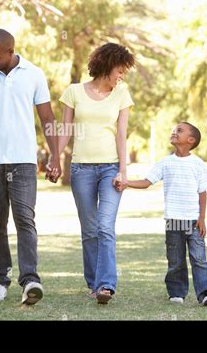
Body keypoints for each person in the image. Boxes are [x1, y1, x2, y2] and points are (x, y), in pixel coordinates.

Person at [0, 28, 61, 305]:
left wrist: (54, 155)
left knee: (25, 221)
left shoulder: (34, 74)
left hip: (24, 161)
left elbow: (47, 117)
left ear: (10, 50)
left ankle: (30, 279)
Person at [57, 42, 135, 304]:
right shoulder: (74, 91)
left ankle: (106, 285)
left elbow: (122, 134)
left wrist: (123, 171)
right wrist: (56, 159)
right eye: (120, 71)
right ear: (108, 65)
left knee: (105, 226)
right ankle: (94, 283)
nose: (122, 76)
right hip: (81, 169)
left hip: (110, 168)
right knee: (89, 230)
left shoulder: (121, 94)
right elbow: (65, 129)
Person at [116, 122, 207, 306]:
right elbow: (147, 182)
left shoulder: (198, 164)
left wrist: (202, 218)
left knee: (199, 258)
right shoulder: (165, 162)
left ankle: (206, 292)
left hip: (193, 221)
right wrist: (126, 183)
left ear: (191, 140)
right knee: (175, 259)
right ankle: (176, 292)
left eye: (179, 130)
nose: (174, 132)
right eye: (173, 130)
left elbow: (203, 192)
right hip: (173, 221)